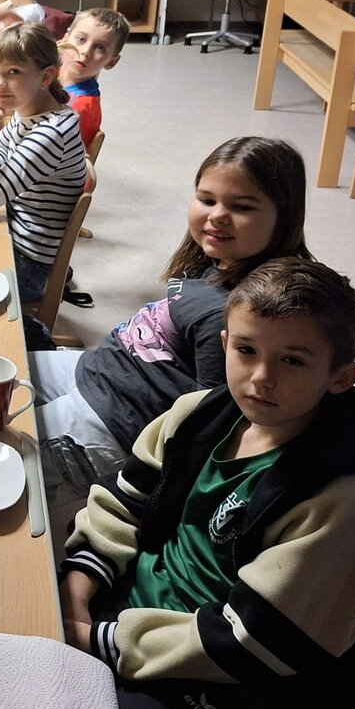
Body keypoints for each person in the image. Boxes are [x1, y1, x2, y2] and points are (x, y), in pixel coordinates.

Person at [59, 258, 355, 709]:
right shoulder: (195, 414)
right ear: (225, 345)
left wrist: (99, 642)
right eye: (246, 350)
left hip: (212, 673)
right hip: (123, 614)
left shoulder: (339, 498)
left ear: (341, 377)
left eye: (293, 360)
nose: (261, 377)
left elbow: (262, 640)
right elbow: (124, 503)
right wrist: (78, 588)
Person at [34, 137, 313, 544]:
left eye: (241, 207)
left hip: (113, 418)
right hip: (96, 370)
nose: (217, 216)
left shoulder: (240, 313)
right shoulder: (216, 260)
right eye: (207, 199)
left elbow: (212, 418)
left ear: (283, 217)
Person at [0, 23, 87, 348]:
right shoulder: (29, 110)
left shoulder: (49, 134)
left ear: (46, 77)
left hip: (28, 263)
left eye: (13, 72)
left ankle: (26, 331)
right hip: (15, 233)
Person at [59, 7, 131, 151]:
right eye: (81, 39)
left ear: (111, 62)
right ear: (64, 40)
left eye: (100, 48)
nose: (85, 51)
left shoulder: (78, 108)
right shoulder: (52, 72)